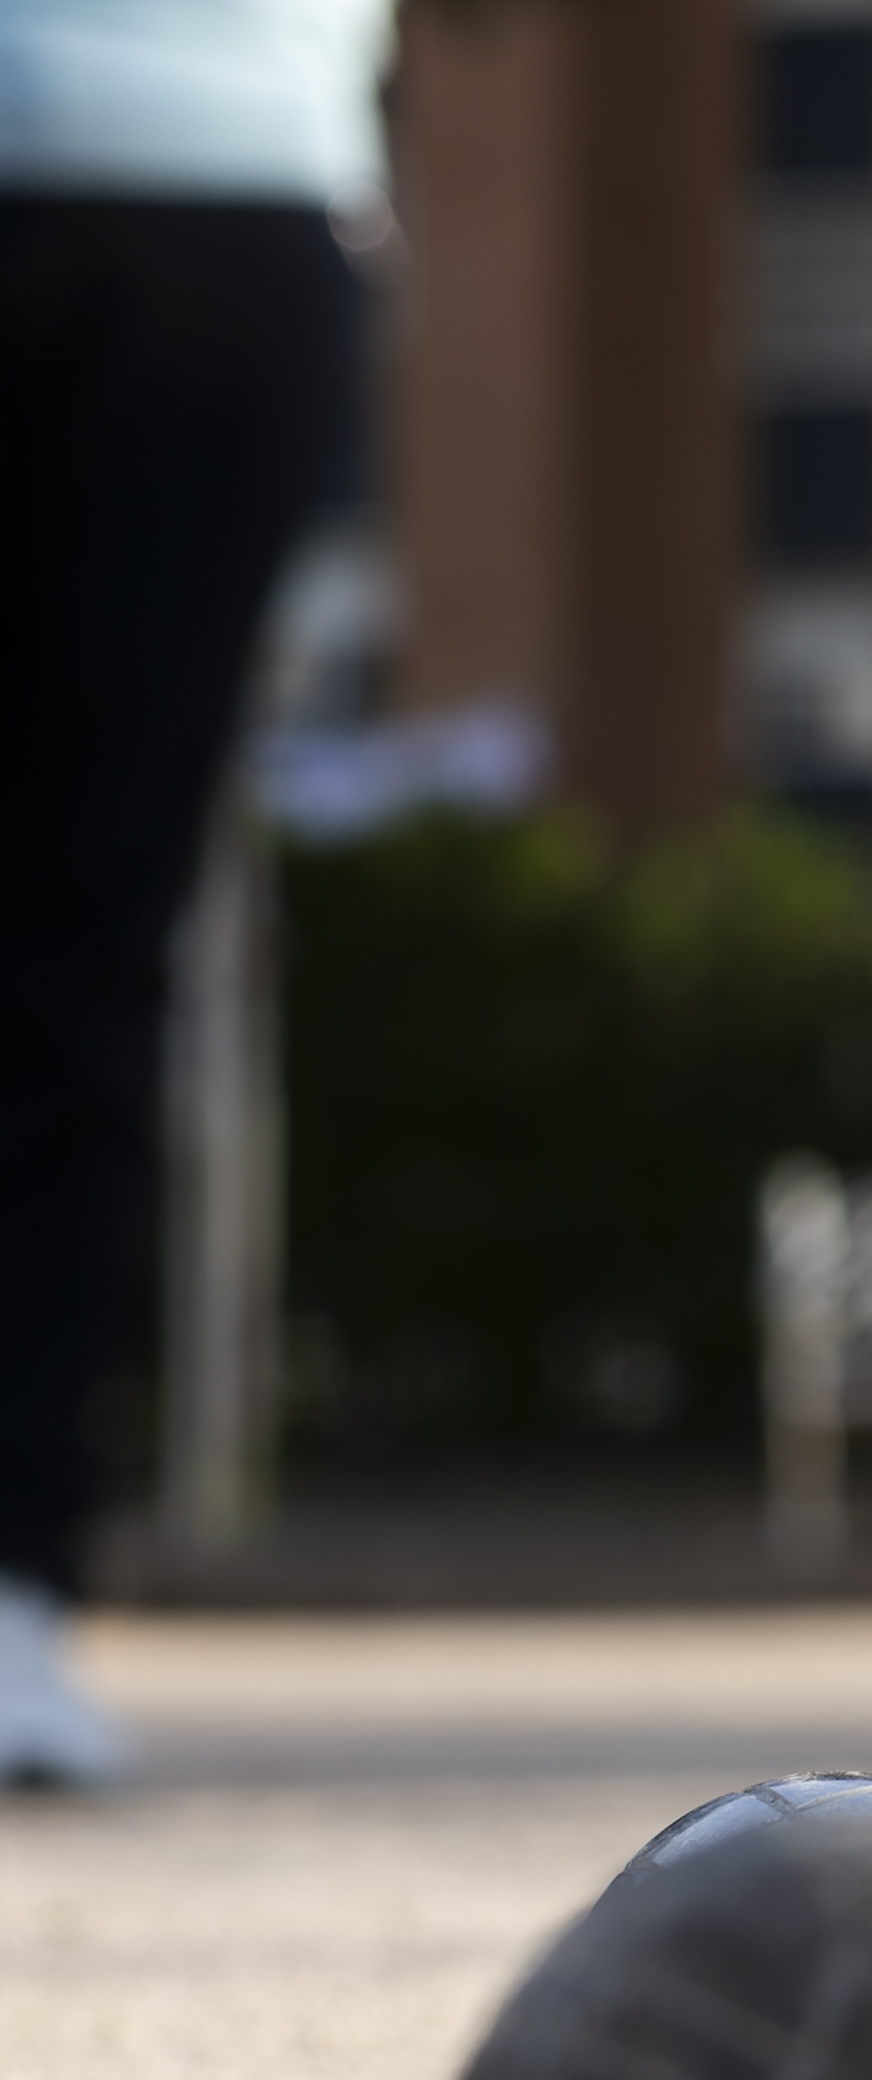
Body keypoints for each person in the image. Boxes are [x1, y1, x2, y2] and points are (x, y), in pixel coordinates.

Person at [0, 0, 387, 1788]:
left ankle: (8, 1593)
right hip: (238, 203)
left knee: (88, 938)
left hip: (232, 176)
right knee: (81, 952)